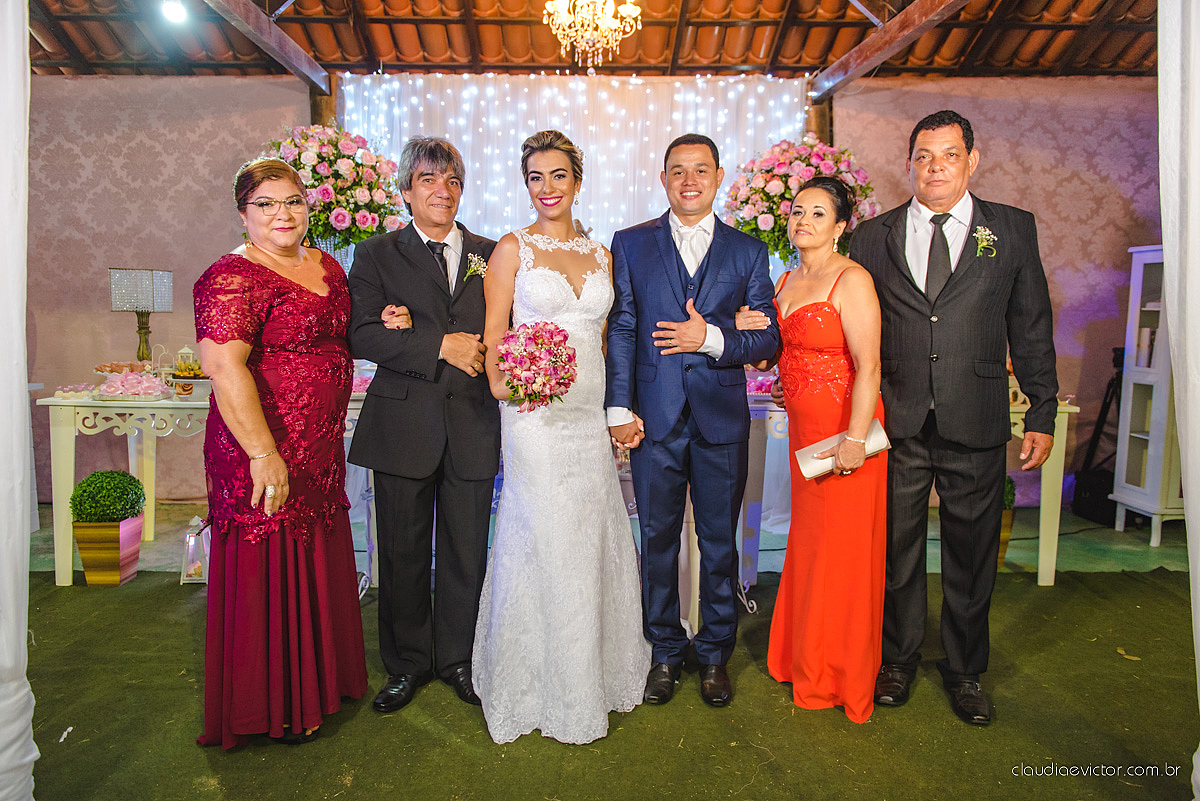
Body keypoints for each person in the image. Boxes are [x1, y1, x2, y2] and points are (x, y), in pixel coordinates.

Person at [848, 110, 1057, 726]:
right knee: (898, 551)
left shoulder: (1012, 230)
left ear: (972, 160)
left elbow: (1032, 325)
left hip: (978, 415)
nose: (934, 166)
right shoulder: (872, 236)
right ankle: (898, 660)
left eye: (947, 155)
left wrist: (1041, 408)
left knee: (971, 553)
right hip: (899, 420)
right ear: (909, 162)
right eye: (923, 156)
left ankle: (965, 671)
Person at [464, 130, 649, 744]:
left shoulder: (603, 255)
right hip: (534, 419)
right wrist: (503, 388)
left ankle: (591, 675)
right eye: (536, 177)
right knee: (541, 539)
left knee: (591, 536)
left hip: (586, 417)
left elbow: (605, 340)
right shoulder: (512, 250)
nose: (548, 188)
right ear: (527, 184)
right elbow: (494, 332)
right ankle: (531, 681)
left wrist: (615, 411)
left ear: (577, 180)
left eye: (559, 176)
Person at [194, 157, 368, 748]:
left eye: (291, 200)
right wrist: (263, 453)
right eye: (265, 204)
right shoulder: (232, 277)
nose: (282, 214)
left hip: (318, 444)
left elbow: (342, 332)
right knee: (271, 561)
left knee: (313, 551)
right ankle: (274, 706)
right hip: (263, 444)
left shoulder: (324, 265)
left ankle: (319, 683)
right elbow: (222, 364)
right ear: (243, 214)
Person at [605, 134, 780, 707]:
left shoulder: (748, 251)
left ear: (718, 176)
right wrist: (619, 406)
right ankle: (663, 651)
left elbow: (767, 338)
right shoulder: (631, 244)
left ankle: (713, 655)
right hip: (653, 418)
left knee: (718, 543)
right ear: (662, 178)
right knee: (655, 539)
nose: (689, 180)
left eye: (700, 170)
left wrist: (712, 338)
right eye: (677, 170)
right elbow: (625, 328)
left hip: (721, 419)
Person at [347, 137, 499, 713]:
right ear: (407, 190)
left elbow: (509, 324)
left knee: (467, 550)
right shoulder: (375, 254)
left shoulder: (491, 251)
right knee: (403, 550)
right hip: (403, 425)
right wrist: (437, 344)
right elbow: (361, 333)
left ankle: (458, 658)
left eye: (452, 180)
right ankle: (407, 663)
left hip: (473, 424)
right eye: (429, 180)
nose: (443, 190)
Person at [740, 176, 886, 723]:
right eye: (798, 212)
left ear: (841, 226)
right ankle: (805, 658)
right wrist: (780, 372)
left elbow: (868, 366)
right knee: (811, 547)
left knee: (843, 554)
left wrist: (854, 438)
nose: (803, 221)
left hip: (847, 437)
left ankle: (839, 675)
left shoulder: (853, 281)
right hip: (803, 435)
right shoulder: (785, 280)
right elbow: (782, 352)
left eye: (818, 214)